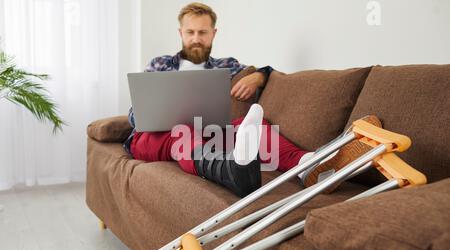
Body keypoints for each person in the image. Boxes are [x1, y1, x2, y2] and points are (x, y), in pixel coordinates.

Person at [124, 2, 381, 197]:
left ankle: (309, 164)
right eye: (190, 32)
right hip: (154, 139)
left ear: (214, 33)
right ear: (180, 33)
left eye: (202, 32)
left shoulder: (227, 66)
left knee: (259, 127)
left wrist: (257, 76)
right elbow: (136, 113)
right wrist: (152, 112)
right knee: (184, 130)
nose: (196, 39)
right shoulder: (159, 64)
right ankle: (232, 171)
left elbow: (267, 71)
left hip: (208, 134)